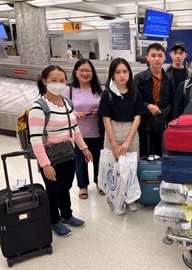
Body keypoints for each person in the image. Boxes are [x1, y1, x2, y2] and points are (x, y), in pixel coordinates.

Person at [28, 65, 93, 237]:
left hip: (68, 153)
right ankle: (54, 220)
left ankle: (67, 215)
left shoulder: (67, 103)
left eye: (62, 80)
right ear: (44, 82)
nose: (58, 84)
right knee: (53, 190)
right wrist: (45, 165)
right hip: (51, 156)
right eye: (53, 80)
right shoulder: (38, 108)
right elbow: (35, 140)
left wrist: (84, 148)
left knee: (65, 186)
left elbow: (75, 129)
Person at [98, 58, 146, 215]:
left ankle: (130, 198)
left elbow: (138, 117)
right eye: (117, 72)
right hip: (112, 130)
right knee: (113, 168)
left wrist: (127, 141)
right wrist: (113, 143)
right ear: (112, 74)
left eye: (125, 71)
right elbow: (106, 119)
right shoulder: (107, 94)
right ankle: (113, 199)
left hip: (131, 132)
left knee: (131, 167)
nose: (122, 75)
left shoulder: (134, 93)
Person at [62, 59, 103, 200]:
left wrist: (99, 111)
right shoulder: (69, 90)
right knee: (80, 160)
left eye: (88, 71)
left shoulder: (98, 89)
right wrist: (75, 113)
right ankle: (83, 186)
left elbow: (104, 107)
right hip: (78, 133)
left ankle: (100, 183)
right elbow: (63, 108)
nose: (85, 73)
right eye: (82, 70)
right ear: (76, 72)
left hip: (96, 132)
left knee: (99, 159)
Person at [134, 42, 175, 157]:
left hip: (160, 123)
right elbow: (134, 100)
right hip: (143, 123)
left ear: (164, 57)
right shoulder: (139, 78)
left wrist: (163, 116)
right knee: (143, 154)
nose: (157, 59)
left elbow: (172, 101)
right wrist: (148, 106)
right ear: (147, 58)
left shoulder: (169, 79)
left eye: (160, 55)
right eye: (153, 55)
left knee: (160, 154)